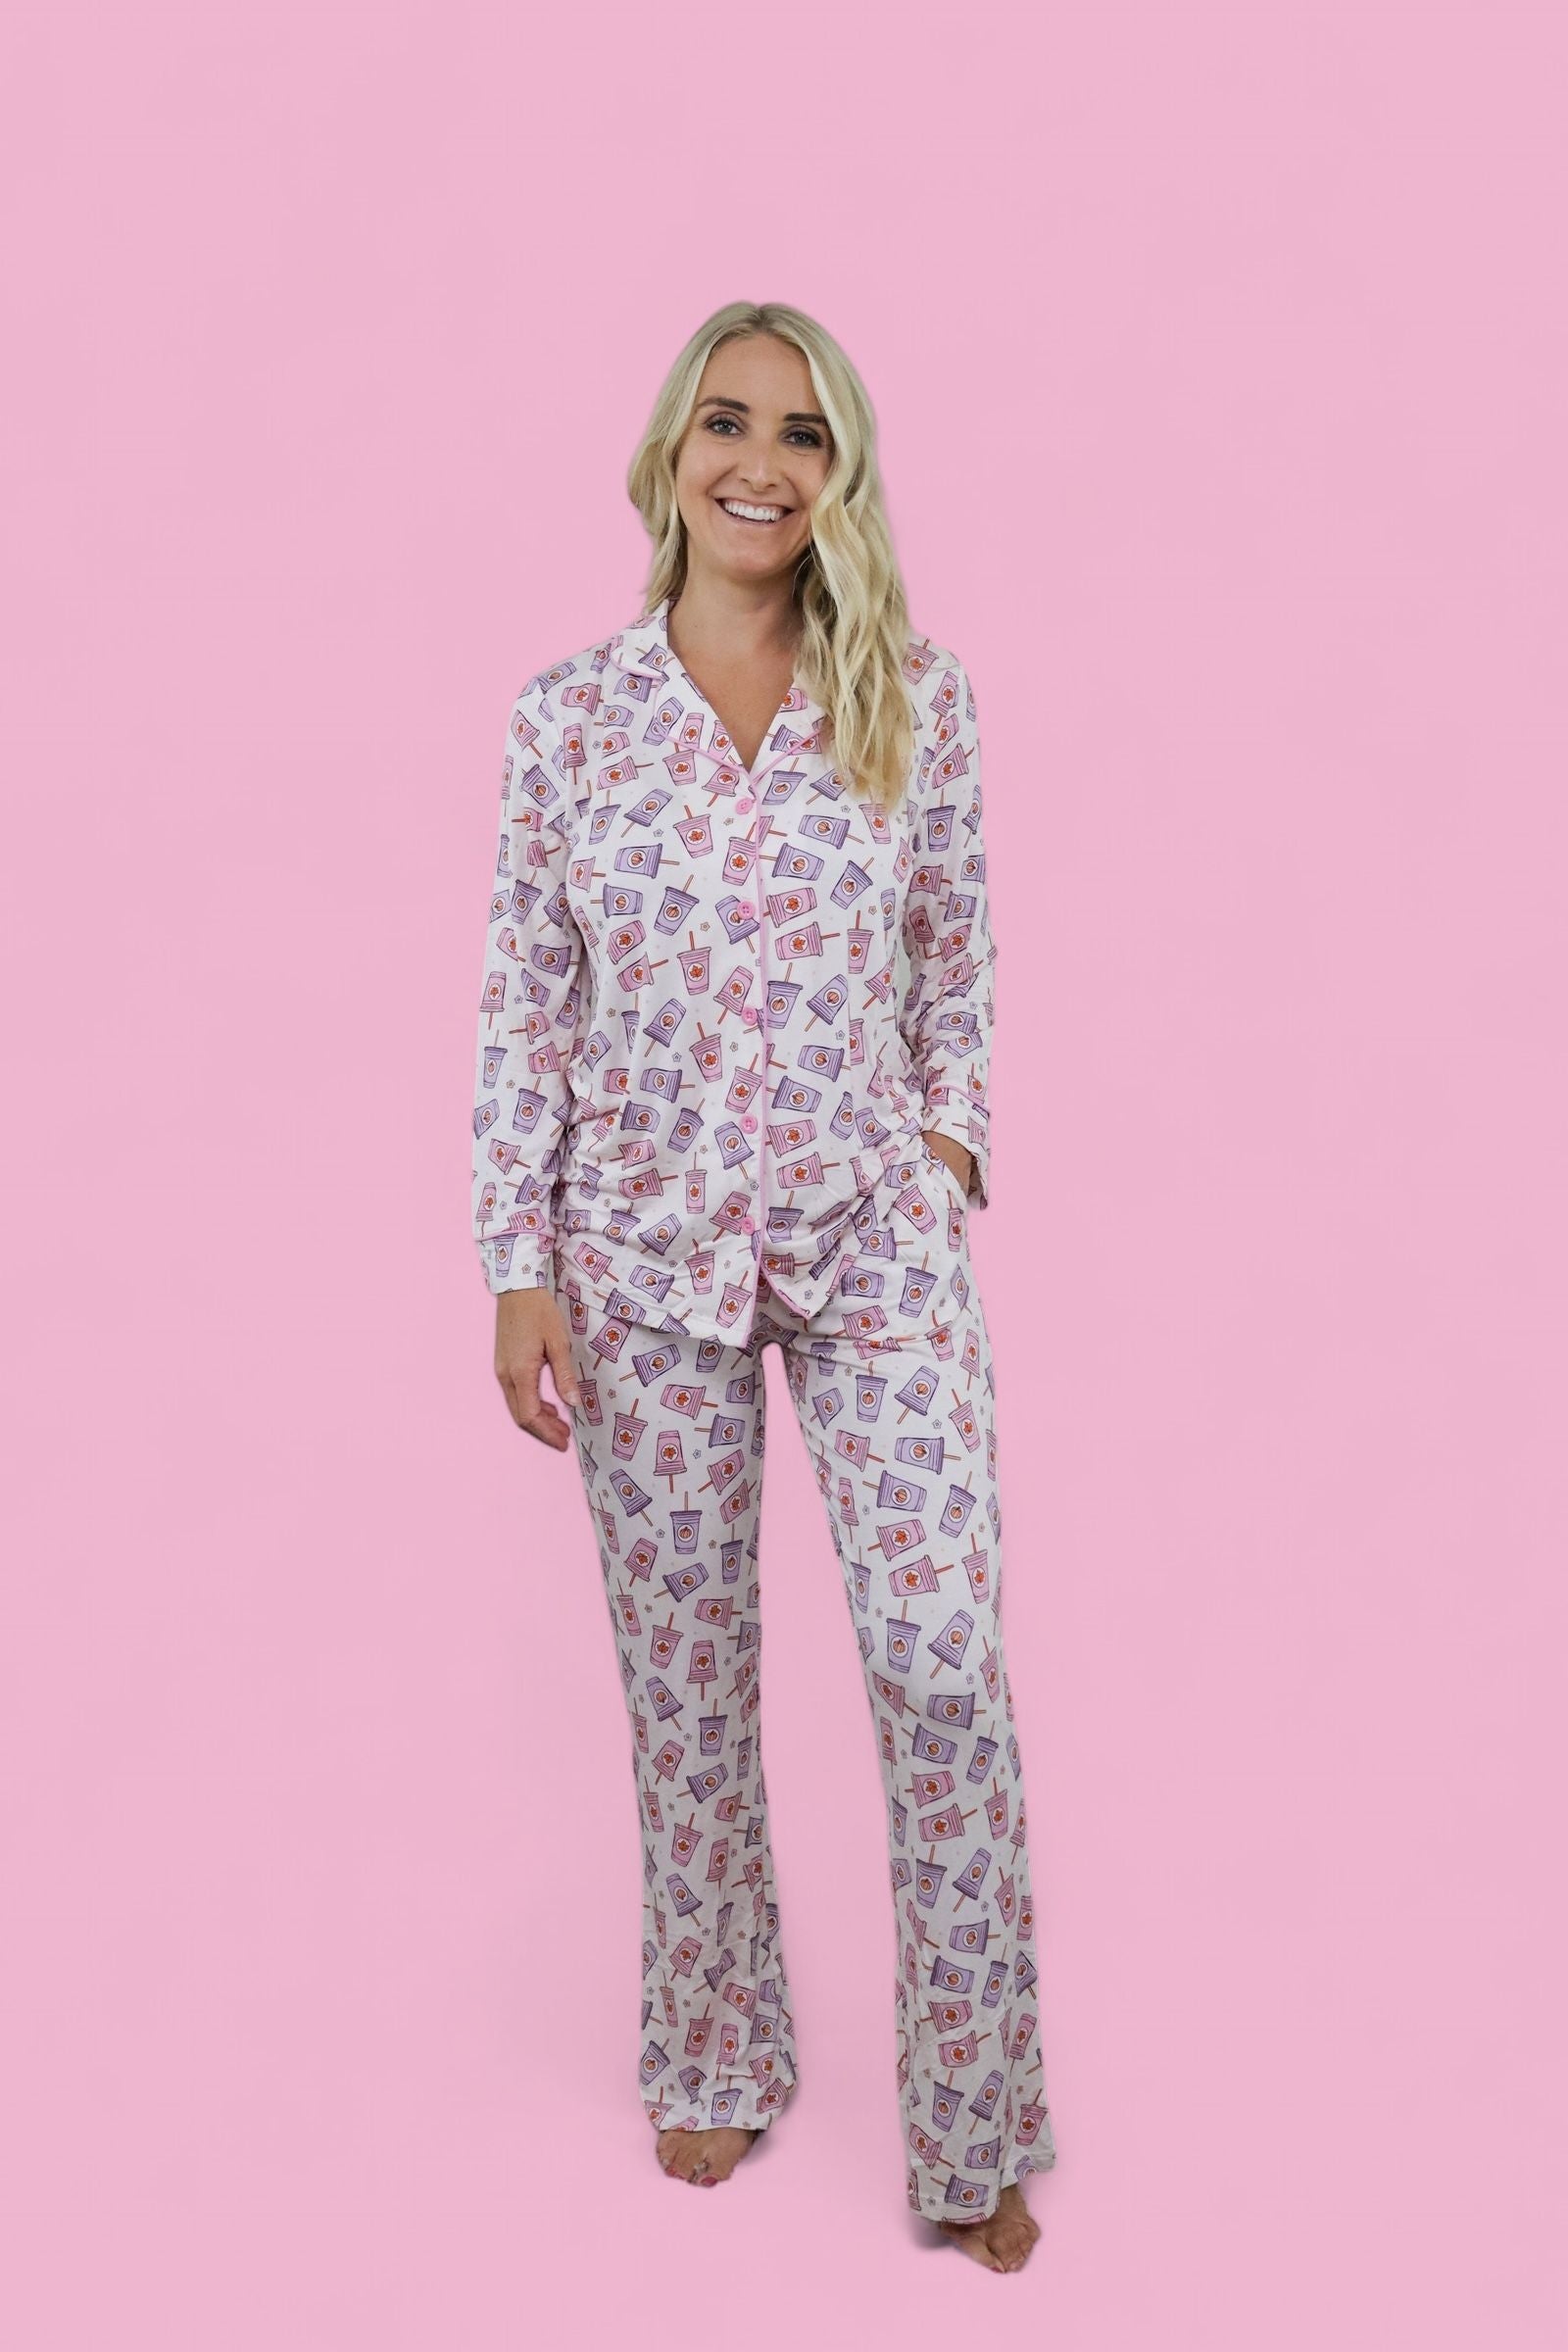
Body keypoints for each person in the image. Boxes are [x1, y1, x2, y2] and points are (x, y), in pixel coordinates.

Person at [470, 300, 1057, 2274]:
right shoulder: (566, 722)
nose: (760, 463)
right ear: (668, 457)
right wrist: (515, 1263)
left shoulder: (916, 697)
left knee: (941, 1665)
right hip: (638, 1255)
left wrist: (945, 1152)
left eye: (802, 436)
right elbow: (526, 1007)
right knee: (686, 1686)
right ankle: (715, 2044)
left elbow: (959, 953)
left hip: (874, 1249)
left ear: (839, 477)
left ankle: (973, 2115)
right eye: (726, 424)